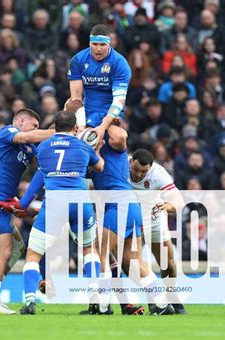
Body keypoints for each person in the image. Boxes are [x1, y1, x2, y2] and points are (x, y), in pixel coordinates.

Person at [68, 25, 175, 315]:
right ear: (89, 44)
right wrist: (80, 126)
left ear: (109, 44)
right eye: (94, 45)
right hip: (124, 205)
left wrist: (100, 130)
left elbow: (119, 113)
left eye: (102, 45)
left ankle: (101, 307)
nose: (98, 49)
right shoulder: (78, 61)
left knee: (101, 255)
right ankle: (162, 304)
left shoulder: (116, 139)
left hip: (119, 204)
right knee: (129, 262)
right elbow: (75, 98)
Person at [9, 111, 104, 315]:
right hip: (80, 201)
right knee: (89, 250)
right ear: (75, 128)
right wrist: (96, 150)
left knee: (33, 255)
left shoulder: (43, 147)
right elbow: (100, 167)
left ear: (54, 126)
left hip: (54, 203)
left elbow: (40, 177)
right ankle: (95, 302)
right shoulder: (83, 147)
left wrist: (23, 204)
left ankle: (30, 302)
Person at [0, 108, 54, 314]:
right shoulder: (7, 131)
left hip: (4, 203)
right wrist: (58, 133)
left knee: (17, 248)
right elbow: (31, 136)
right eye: (33, 125)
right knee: (4, 252)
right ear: (20, 121)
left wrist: (64, 123)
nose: (35, 130)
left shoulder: (28, 148)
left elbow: (46, 145)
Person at [129, 149, 187, 314]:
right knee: (137, 262)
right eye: (135, 169)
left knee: (167, 262)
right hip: (129, 217)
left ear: (151, 168)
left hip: (153, 215)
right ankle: (154, 300)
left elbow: (179, 202)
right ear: (131, 161)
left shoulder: (159, 174)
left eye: (144, 171)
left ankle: (171, 294)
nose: (139, 174)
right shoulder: (120, 164)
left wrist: (167, 206)